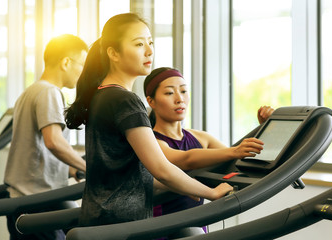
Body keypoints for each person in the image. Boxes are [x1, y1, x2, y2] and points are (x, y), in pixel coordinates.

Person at [64, 13, 236, 231]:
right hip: (121, 224)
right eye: (138, 44)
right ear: (113, 53)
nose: (149, 51)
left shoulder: (101, 95)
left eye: (150, 42)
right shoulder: (125, 100)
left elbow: (128, 174)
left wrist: (189, 186)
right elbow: (161, 168)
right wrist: (211, 192)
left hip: (101, 218)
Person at [144, 67, 272, 234]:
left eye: (183, 91)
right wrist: (234, 151)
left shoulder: (202, 138)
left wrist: (266, 128)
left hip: (197, 226)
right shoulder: (150, 142)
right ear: (151, 101)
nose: (179, 99)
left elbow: (241, 160)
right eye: (169, 93)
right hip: (161, 230)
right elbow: (186, 159)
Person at [4, 34, 88, 240]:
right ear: (66, 62)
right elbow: (54, 142)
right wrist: (89, 168)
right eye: (82, 65)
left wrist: (72, 167)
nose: (83, 72)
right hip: (36, 203)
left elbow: (38, 147)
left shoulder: (30, 91)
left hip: (28, 199)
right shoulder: (49, 92)